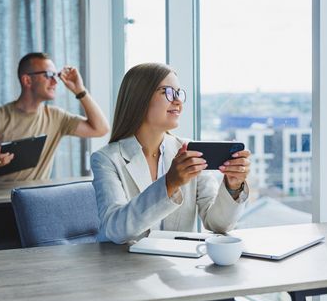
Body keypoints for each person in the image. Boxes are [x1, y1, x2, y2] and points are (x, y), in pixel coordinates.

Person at [0, 52, 110, 252]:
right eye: (48, 75)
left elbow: (101, 128)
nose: (55, 81)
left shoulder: (56, 117)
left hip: (35, 207)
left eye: (56, 75)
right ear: (27, 80)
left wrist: (79, 90)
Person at [91, 63, 250, 244]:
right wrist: (169, 183)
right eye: (167, 92)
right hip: (123, 266)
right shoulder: (106, 159)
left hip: (174, 267)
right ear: (140, 98)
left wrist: (233, 186)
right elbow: (116, 229)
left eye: (179, 93)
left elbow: (218, 225)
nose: (177, 101)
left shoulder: (189, 152)